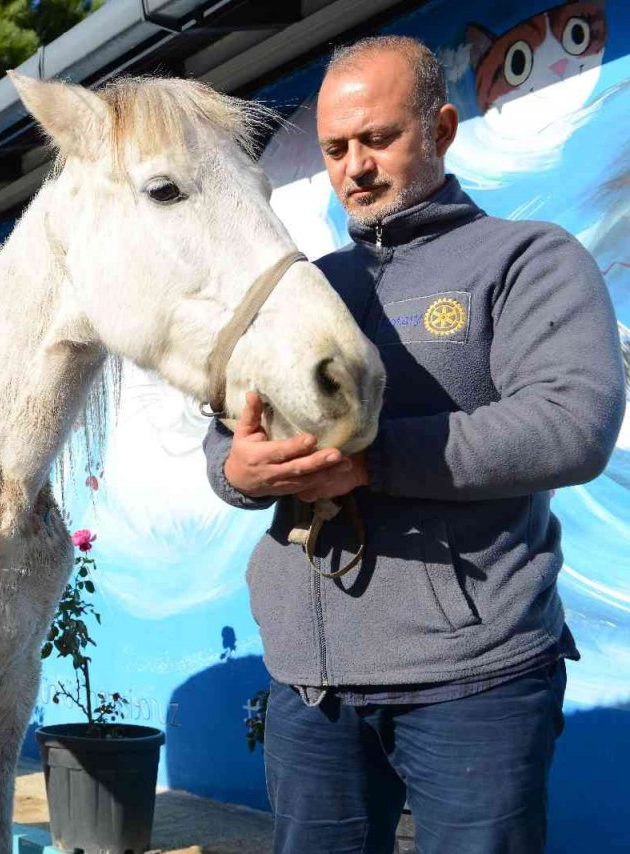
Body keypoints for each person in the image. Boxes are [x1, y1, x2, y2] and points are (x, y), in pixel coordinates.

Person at [206, 35, 625, 853]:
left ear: (441, 128)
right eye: (334, 149)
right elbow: (224, 424)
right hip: (311, 686)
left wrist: (375, 459)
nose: (354, 166)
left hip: (475, 681)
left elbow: (573, 424)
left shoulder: (527, 258)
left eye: (378, 138)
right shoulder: (305, 286)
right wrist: (234, 469)